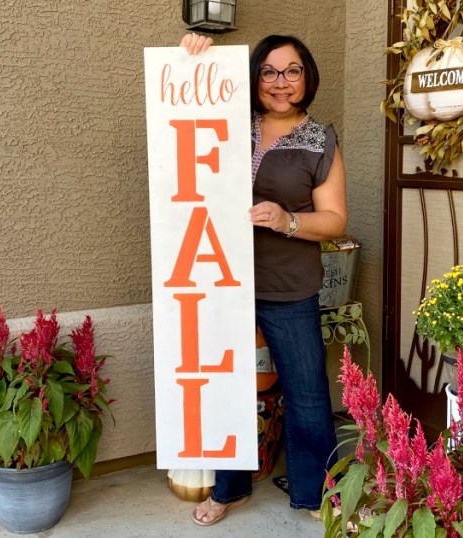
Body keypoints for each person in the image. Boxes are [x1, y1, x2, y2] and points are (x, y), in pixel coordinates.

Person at [180, 32, 348, 526]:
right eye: (269, 71)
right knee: (225, 387)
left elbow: (335, 219)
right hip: (219, 280)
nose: (280, 82)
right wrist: (195, 56)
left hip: (289, 284)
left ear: (307, 77)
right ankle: (230, 488)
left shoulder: (320, 140)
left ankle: (314, 495)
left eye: (292, 70)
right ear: (253, 78)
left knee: (307, 394)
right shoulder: (229, 123)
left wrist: (287, 220)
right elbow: (186, 107)